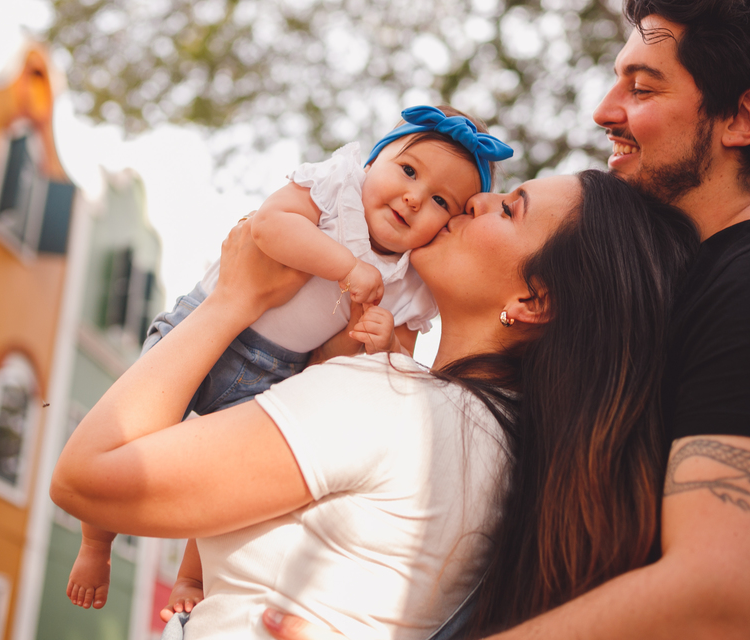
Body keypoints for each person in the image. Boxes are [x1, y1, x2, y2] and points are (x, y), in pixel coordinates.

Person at [261, 0, 750, 639]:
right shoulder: (620, 303)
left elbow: (719, 599)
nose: (604, 110)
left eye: (642, 87)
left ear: (742, 118)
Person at [50, 168, 700, 640]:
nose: (478, 199)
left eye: (510, 209)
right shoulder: (508, 451)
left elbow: (86, 479)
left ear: (533, 301)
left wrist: (233, 300)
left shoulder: (394, 404)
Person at [66, 105, 513, 612]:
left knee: (223, 480)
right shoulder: (337, 187)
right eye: (408, 170)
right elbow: (269, 226)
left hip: (279, 372)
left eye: (439, 201)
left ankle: (191, 578)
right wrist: (346, 266)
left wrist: (385, 340)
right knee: (133, 432)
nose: (414, 197)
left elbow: (395, 371)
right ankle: (96, 543)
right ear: (374, 160)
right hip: (203, 327)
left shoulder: (412, 282)